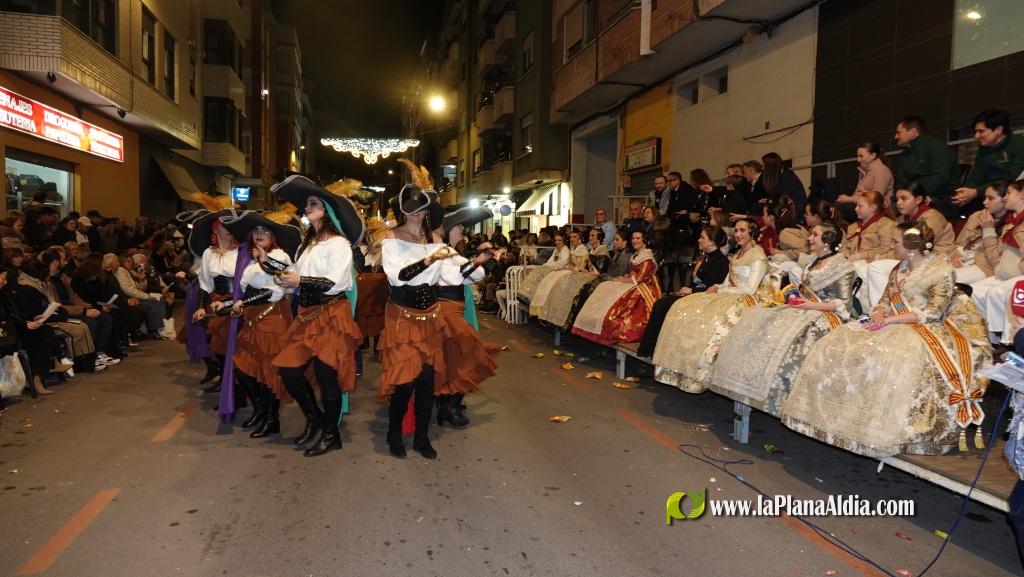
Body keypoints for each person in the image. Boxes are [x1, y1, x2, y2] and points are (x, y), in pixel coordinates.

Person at [781, 222, 991, 457]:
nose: (892, 246)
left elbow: (934, 313)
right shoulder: (898, 269)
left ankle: (877, 425)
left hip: (922, 329)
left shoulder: (941, 271)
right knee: (840, 341)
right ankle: (844, 416)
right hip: (893, 322)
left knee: (889, 358)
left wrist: (892, 320)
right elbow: (884, 300)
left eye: (896, 242)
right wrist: (880, 312)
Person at [710, 223, 855, 415]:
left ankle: (780, 399)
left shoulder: (843, 267)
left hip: (825, 315)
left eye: (815, 235)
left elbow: (844, 303)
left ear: (827, 241)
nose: (809, 238)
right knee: (762, 320)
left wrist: (812, 306)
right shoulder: (814, 262)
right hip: (804, 309)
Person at [269, 175, 363, 457]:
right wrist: (281, 274)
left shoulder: (340, 244)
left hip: (332, 312)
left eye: (313, 204)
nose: (306, 208)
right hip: (307, 315)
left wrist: (299, 281)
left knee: (326, 376)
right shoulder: (306, 244)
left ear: (328, 211)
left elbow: (334, 282)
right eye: (306, 205)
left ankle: (331, 435)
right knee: (288, 369)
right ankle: (316, 420)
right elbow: (297, 275)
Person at [376, 174, 453, 459]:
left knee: (426, 380)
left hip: (430, 316)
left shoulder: (435, 238)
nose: (417, 213)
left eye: (421, 208)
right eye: (410, 208)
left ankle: (421, 437)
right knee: (405, 380)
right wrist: (429, 259)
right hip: (402, 315)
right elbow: (397, 277)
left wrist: (475, 265)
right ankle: (393, 433)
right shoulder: (392, 238)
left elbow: (451, 272)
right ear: (402, 211)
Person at [652, 218, 775, 392]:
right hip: (729, 294)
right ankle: (679, 366)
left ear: (752, 233)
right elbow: (727, 281)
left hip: (746, 299)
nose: (738, 234)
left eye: (742, 231)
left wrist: (723, 291)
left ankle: (701, 372)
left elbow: (750, 288)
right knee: (686, 306)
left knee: (708, 319)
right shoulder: (737, 254)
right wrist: (718, 287)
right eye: (737, 230)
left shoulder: (758, 255)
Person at [220, 210, 301, 440]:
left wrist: (242, 302)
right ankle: (260, 411)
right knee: (243, 368)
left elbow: (275, 290)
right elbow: (243, 289)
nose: (259, 234)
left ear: (273, 235)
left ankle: (271, 419)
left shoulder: (279, 256)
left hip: (273, 317)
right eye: (256, 230)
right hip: (253, 319)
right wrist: (227, 303)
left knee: (268, 372)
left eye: (265, 230)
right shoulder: (250, 259)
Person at [435, 209, 498, 428]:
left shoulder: (452, 253)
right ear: (449, 231)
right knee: (468, 356)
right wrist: (477, 260)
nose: (463, 230)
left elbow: (477, 275)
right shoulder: (440, 252)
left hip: (453, 311)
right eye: (459, 227)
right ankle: (449, 405)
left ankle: (447, 404)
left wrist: (478, 258)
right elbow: (459, 275)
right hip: (446, 312)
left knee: (452, 359)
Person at [637, 226, 729, 358]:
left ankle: (653, 350)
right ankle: (651, 348)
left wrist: (691, 290)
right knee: (661, 303)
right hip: (695, 294)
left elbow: (714, 287)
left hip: (704, 299)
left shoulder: (721, 262)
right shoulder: (708, 258)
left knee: (662, 305)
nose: (698, 240)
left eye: (702, 237)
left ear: (711, 242)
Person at [572, 229, 660, 345]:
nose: (635, 241)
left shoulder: (647, 257)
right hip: (632, 282)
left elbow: (638, 279)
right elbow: (633, 274)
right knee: (606, 286)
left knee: (614, 295)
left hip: (643, 288)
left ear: (644, 240)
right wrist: (623, 278)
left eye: (638, 238)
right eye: (633, 238)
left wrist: (621, 280)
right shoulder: (636, 255)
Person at [963, 179, 1024, 346]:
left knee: (997, 293)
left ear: (1022, 194)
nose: (1005, 198)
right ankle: (988, 338)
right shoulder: (1012, 224)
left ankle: (1009, 342)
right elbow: (997, 258)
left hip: (1019, 276)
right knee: (973, 291)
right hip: (1004, 273)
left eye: (1009, 193)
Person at [0, 265, 69, 396]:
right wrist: (25, 325)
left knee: (44, 331)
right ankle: (39, 376)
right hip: (5, 335)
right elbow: (4, 320)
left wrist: (29, 319)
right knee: (42, 335)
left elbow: (14, 315)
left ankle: (38, 376)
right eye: (3, 278)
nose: (5, 281)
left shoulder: (4, 294)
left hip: (11, 330)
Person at [953, 109, 1024, 217]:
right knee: (952, 202)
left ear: (999, 130)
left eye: (981, 131)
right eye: (975, 131)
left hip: (1005, 194)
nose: (976, 136)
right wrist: (965, 193)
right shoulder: (983, 148)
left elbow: (1011, 177)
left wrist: (976, 192)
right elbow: (976, 176)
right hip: (984, 193)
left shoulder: (1019, 144)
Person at [892, 115, 960, 218]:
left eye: (898, 132)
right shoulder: (904, 155)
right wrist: (901, 196)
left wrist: (917, 195)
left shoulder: (935, 145)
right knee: (889, 210)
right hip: (913, 196)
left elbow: (941, 176)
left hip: (940, 195)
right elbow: (900, 181)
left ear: (913, 132)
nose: (895, 137)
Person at [951, 181, 1010, 284]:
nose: (985, 202)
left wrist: (988, 229)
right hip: (964, 259)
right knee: (928, 273)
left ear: (1005, 199)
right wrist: (956, 253)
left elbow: (997, 262)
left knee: (945, 279)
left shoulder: (1010, 226)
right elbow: (959, 243)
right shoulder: (977, 215)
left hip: (983, 266)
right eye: (985, 197)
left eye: (991, 198)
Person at [838, 142, 894, 207]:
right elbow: (856, 194)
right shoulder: (863, 171)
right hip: (861, 205)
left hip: (874, 208)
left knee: (839, 209)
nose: (858, 159)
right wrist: (847, 199)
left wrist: (850, 199)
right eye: (858, 156)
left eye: (861, 156)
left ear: (873, 155)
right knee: (833, 207)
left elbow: (876, 198)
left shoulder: (882, 171)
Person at [761, 152, 808, 223]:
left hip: (796, 217)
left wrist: (770, 201)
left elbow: (784, 199)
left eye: (764, 165)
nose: (763, 168)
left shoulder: (787, 176)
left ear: (770, 166)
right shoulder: (781, 176)